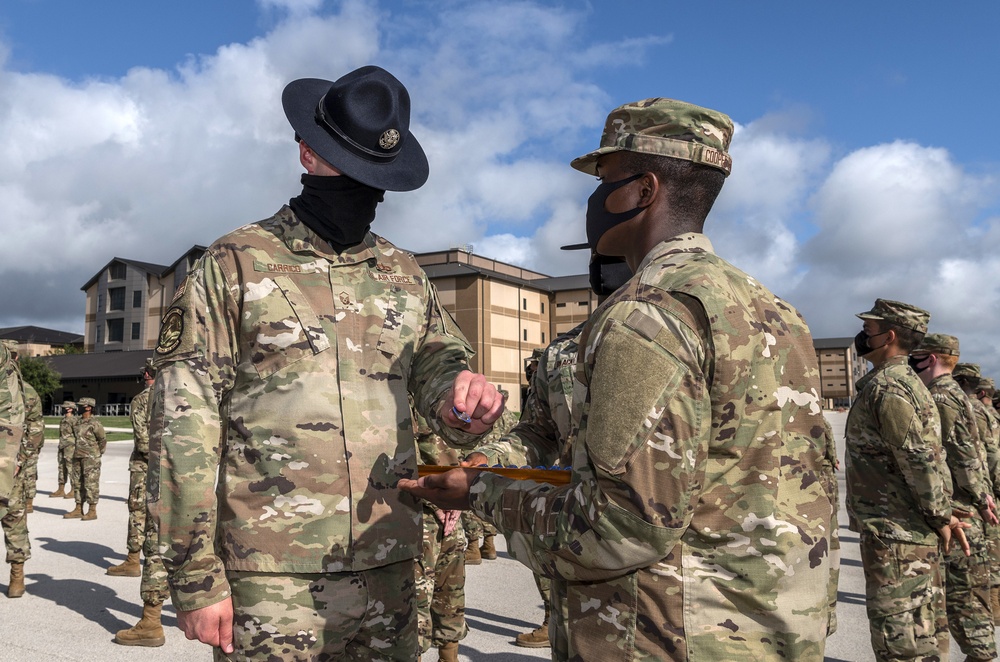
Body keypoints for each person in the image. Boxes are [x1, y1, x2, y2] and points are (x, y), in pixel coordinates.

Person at [403, 97, 839, 660]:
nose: (592, 201)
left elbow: (622, 527)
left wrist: (482, 493)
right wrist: (496, 459)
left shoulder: (647, 316)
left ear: (643, 190)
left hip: (667, 632)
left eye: (603, 180)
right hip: (766, 627)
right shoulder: (775, 310)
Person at [148, 65, 502, 660]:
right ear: (307, 151)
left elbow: (440, 368)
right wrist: (194, 576)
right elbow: (184, 425)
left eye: (375, 174)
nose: (365, 188)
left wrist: (463, 396)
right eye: (349, 164)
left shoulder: (405, 274)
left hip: (390, 564)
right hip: (272, 578)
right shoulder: (236, 262)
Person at [466, 250, 633, 652]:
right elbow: (538, 435)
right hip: (577, 541)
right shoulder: (561, 352)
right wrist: (489, 458)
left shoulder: (697, 331)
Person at [846, 299, 972, 661]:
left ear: (887, 336)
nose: (862, 337)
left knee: (902, 644)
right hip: (904, 531)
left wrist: (940, 515)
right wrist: (941, 515)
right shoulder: (902, 383)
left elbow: (920, 459)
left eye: (868, 331)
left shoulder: (889, 388)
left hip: (897, 533)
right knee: (923, 634)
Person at [909, 334, 997, 661]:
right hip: (967, 506)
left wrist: (980, 497)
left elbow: (960, 457)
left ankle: (982, 655)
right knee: (967, 597)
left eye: (915, 356)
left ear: (930, 358)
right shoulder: (953, 393)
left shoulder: (940, 397)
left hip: (961, 511)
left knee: (964, 601)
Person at [412, 405, 467, 662]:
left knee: (449, 587)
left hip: (446, 503)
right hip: (415, 505)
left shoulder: (451, 387)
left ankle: (449, 656)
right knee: (417, 597)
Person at [108, 359, 157, 577]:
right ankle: (157, 559)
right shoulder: (176, 396)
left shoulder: (142, 399)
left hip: (144, 465)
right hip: (170, 466)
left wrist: (152, 459)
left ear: (147, 373)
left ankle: (133, 560)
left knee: (138, 511)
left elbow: (142, 438)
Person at [0, 341, 27, 597]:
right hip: (10, 452)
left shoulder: (23, 389)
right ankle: (17, 575)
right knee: (13, 515)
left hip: (9, 455)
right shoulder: (15, 383)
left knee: (13, 516)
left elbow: (35, 427)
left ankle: (17, 575)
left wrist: (19, 458)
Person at [63, 397, 105, 520]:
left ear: (88, 407)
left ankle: (92, 510)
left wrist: (96, 454)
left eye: (81, 405)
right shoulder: (77, 422)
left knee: (91, 484)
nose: (78, 407)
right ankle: (78, 508)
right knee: (77, 483)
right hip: (77, 456)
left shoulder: (95, 423)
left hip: (91, 458)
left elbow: (102, 440)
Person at [50, 401, 78, 499]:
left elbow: (77, 435)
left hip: (70, 447)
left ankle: (74, 489)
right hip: (62, 446)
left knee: (71, 468)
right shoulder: (63, 420)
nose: (63, 409)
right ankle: (61, 489)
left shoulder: (74, 420)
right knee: (61, 468)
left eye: (65, 407)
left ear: (70, 409)